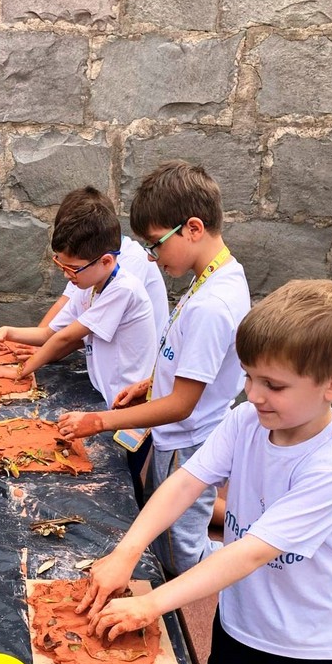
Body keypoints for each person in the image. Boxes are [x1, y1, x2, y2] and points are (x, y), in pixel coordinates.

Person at [78, 280, 332, 664]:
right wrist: (126, 552)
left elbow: (250, 552)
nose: (254, 394)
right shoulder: (246, 420)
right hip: (242, 616)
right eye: (248, 376)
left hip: (306, 637)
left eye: (274, 385)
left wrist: (151, 604)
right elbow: (185, 481)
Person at [58, 161, 251, 577]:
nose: (150, 255)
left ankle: (240, 576)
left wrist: (99, 421)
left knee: (181, 553)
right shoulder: (211, 279)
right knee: (165, 530)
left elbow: (182, 403)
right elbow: (194, 364)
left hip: (187, 438)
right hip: (176, 436)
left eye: (156, 243)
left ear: (193, 228)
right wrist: (150, 384)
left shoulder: (213, 304)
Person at [0, 193, 156, 413]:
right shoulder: (89, 286)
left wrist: (20, 372)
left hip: (129, 402)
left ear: (105, 261)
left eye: (72, 269)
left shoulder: (123, 289)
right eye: (61, 266)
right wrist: (9, 332)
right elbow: (49, 333)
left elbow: (64, 338)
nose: (66, 275)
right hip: (107, 393)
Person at [38, 186, 169, 340]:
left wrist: (40, 348)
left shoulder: (131, 263)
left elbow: (79, 334)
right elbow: (65, 303)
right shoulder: (87, 266)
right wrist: (31, 344)